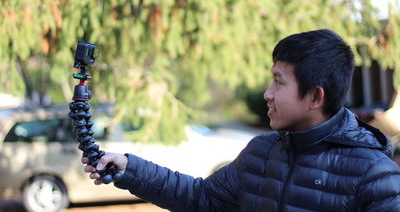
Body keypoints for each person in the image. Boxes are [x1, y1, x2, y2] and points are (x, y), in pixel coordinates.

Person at [82, 29, 400, 211]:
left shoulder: (375, 175)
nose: (267, 93)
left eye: (279, 82)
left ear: (315, 98)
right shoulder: (261, 152)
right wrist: (129, 168)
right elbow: (200, 197)